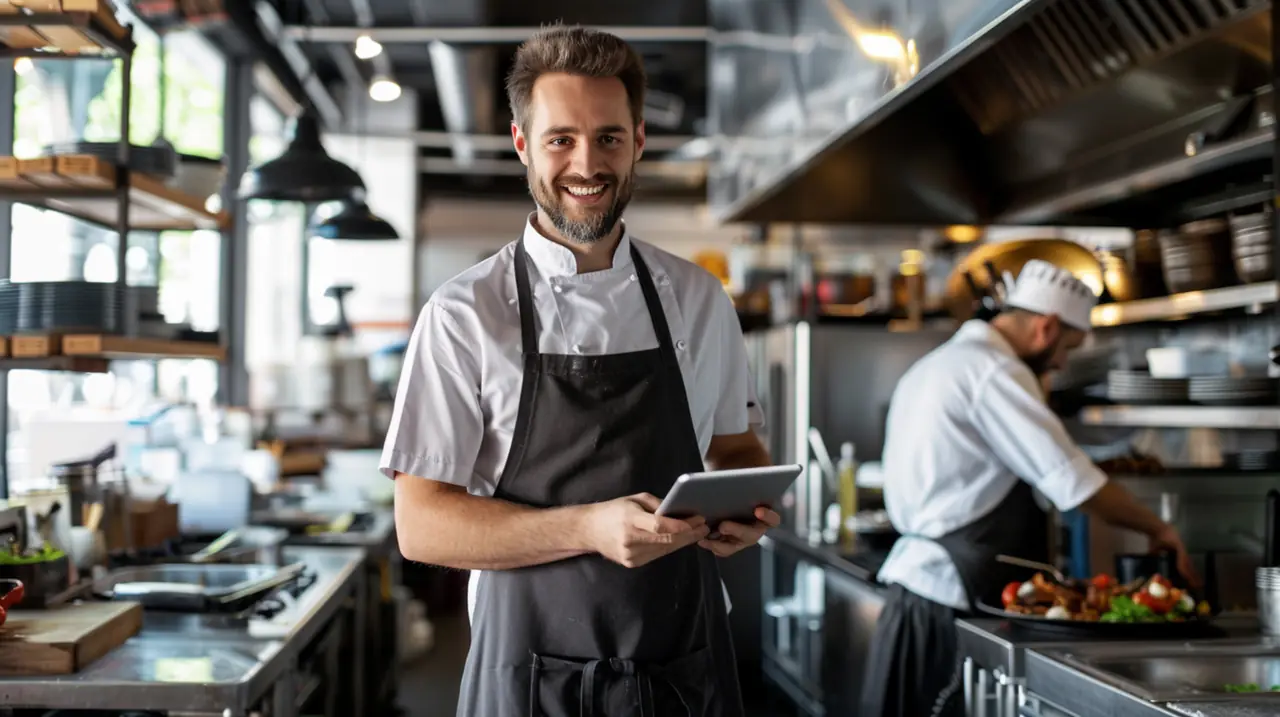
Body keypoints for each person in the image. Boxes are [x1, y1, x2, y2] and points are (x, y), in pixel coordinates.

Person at [380, 25, 779, 717]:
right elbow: (422, 527)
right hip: (527, 677)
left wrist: (743, 513)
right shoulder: (465, 313)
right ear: (522, 145)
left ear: (639, 142)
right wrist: (588, 528)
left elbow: (736, 448)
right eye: (561, 138)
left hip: (680, 668)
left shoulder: (697, 297)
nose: (587, 163)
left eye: (609, 138)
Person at [860, 259, 1198, 717]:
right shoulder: (994, 372)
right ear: (1046, 327)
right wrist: (1160, 530)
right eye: (1068, 348)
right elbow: (1078, 485)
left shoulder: (942, 364)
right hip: (946, 600)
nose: (1062, 363)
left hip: (919, 596)